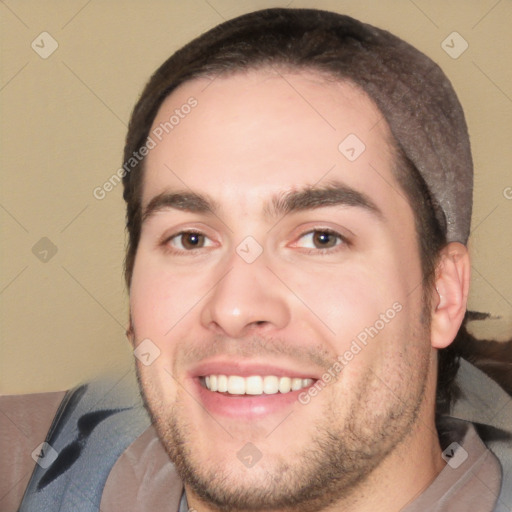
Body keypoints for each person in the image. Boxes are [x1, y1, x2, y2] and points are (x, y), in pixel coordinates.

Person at [1, 7, 511, 512]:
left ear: (443, 295)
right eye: (191, 240)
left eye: (321, 238)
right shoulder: (42, 460)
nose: (236, 307)